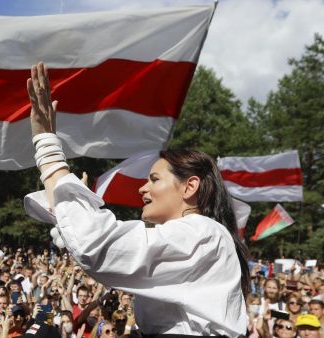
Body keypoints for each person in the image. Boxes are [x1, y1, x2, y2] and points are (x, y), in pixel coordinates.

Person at [25, 62, 250, 337]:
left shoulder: (204, 234)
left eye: (154, 179)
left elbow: (98, 246)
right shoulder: (198, 235)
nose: (142, 190)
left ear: (190, 186)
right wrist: (68, 205)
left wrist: (48, 151)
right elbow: (91, 247)